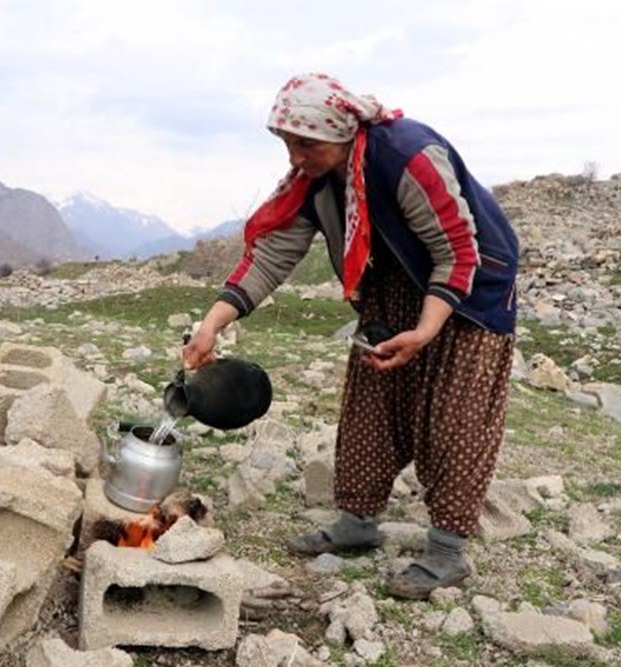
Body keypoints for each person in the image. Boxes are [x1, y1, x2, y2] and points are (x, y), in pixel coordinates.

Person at [182, 73, 519, 600]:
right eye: (287, 143)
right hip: (390, 285)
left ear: (341, 133)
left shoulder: (409, 158)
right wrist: (212, 323)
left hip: (470, 288)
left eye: (306, 143)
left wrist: (427, 330)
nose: (294, 157)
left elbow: (456, 249)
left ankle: (448, 552)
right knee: (371, 403)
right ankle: (357, 522)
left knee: (454, 417)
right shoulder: (315, 179)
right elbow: (271, 255)